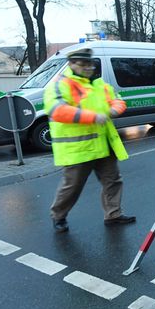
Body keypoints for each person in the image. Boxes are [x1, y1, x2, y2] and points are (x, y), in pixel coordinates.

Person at [44, 47, 135, 233]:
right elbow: (57, 110)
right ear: (71, 64)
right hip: (79, 147)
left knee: (113, 181)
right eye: (83, 64)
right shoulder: (59, 84)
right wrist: (92, 117)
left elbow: (118, 101)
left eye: (90, 64)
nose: (88, 67)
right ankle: (58, 216)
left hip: (103, 144)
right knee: (72, 187)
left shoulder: (100, 84)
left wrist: (113, 111)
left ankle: (113, 214)